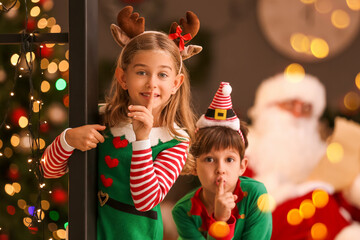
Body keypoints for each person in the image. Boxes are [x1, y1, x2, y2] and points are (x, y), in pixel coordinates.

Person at [40, 6, 202, 240]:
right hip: (89, 231)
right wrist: (68, 139)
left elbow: (145, 200)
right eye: (142, 72)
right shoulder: (101, 118)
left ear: (176, 83)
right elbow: (48, 169)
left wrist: (142, 140)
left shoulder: (175, 141)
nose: (152, 83)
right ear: (123, 78)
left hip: (138, 235)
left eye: (163, 75)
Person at [245, 73, 360, 239]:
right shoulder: (247, 148)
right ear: (268, 107)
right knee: (319, 200)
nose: (297, 114)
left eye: (306, 108)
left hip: (314, 222)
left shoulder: (321, 153)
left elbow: (344, 203)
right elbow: (243, 203)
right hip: (267, 222)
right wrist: (297, 192)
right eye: (290, 104)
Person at [172, 82, 272, 240]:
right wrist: (220, 221)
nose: (221, 169)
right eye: (209, 159)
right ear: (194, 167)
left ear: (242, 166)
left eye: (229, 159)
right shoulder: (184, 211)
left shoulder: (256, 196)